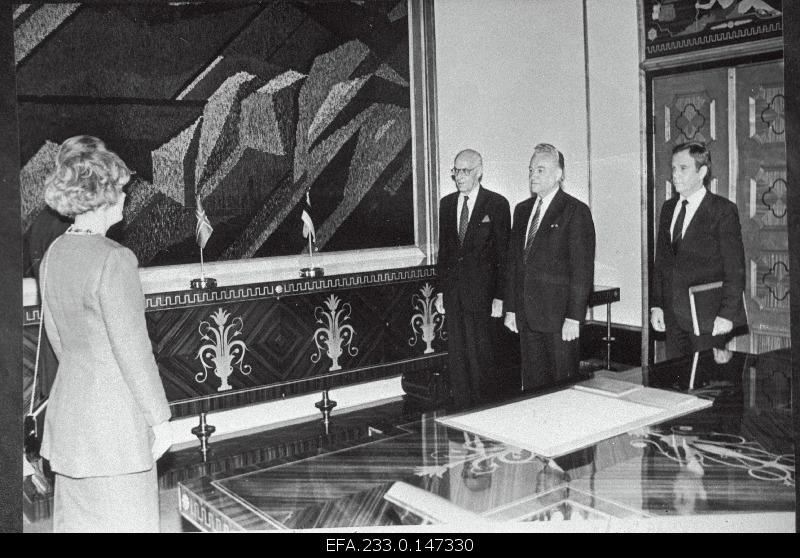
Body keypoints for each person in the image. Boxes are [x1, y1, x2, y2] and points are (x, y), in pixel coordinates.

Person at [38, 135, 172, 532]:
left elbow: (60, 342)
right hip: (116, 429)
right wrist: (160, 419)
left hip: (71, 424)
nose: (126, 197)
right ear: (104, 194)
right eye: (122, 188)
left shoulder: (53, 255)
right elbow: (134, 351)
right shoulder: (115, 259)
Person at [504, 143, 595, 391]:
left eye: (540, 170)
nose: (533, 175)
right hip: (527, 318)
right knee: (533, 388)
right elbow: (514, 264)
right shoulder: (522, 211)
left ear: (559, 174)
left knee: (562, 389)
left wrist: (574, 318)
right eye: (531, 169)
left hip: (559, 321)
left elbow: (582, 271)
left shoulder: (575, 211)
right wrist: (512, 309)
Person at [650, 141, 746, 359]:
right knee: (677, 385)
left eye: (683, 169)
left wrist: (727, 315)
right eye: (673, 169)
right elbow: (662, 262)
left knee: (707, 384)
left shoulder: (722, 211)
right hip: (673, 319)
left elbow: (735, 269)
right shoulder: (668, 208)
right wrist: (657, 305)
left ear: (702, 171)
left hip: (708, 319)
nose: (675, 175)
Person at [435, 149, 510, 408]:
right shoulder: (446, 204)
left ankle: (485, 412)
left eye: (465, 170)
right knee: (457, 358)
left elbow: (504, 255)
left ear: (479, 171)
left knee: (482, 359)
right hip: (454, 296)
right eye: (455, 170)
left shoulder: (497, 204)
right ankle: (463, 411)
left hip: (484, 297)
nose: (459, 176)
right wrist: (441, 292)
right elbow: (444, 252)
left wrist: (501, 296)